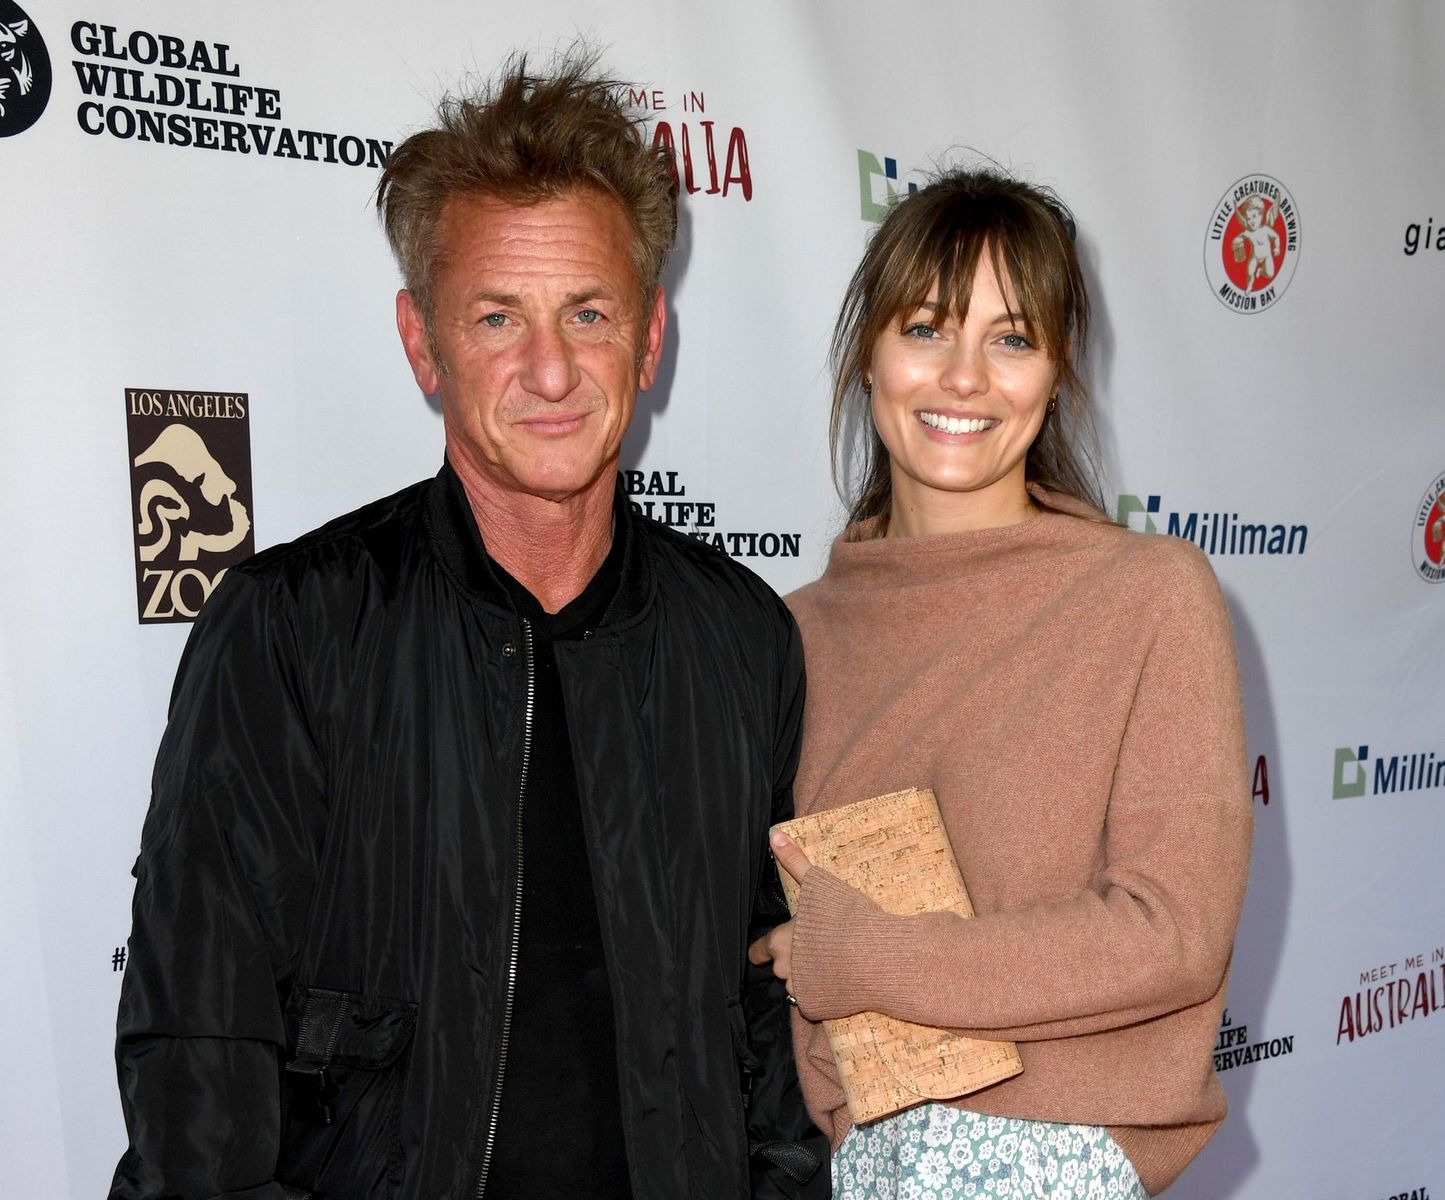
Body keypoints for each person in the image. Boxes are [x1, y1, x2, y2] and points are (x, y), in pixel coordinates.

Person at [111, 49, 824, 1200]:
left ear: (647, 338)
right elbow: (199, 1040)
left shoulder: (739, 638)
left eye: (587, 313)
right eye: (498, 317)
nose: (549, 369)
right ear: (420, 342)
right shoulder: (292, 629)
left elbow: (768, 1001)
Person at [749, 168, 1251, 1197]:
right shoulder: (783, 633)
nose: (964, 378)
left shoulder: (1146, 595)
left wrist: (873, 959)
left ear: (1057, 372)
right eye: (926, 327)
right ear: (866, 356)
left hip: (1057, 1159)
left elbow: (1171, 935)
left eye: (1011, 338)